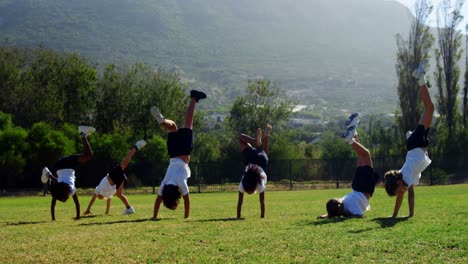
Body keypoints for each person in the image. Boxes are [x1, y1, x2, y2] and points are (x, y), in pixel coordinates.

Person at [384, 59, 433, 218]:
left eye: (399, 190)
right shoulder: (403, 181)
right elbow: (400, 199)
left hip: (416, 144)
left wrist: (410, 215)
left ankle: (420, 77)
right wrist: (394, 216)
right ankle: (409, 134)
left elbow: (409, 195)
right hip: (416, 144)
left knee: (429, 108)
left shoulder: (406, 177)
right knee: (429, 108)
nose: (401, 193)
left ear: (398, 183)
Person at [151, 90, 206, 220]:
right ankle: (163, 120)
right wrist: (154, 216)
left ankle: (193, 98)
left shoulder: (180, 183)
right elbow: (158, 200)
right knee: (172, 127)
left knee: (188, 123)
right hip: (173, 153)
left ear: (175, 197)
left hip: (184, 153)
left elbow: (187, 201)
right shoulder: (164, 184)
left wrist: (186, 217)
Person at [318, 113, 380, 218]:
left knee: (365, 154)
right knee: (361, 155)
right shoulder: (346, 203)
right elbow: (357, 215)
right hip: (357, 187)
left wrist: (330, 216)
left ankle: (350, 139)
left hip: (363, 188)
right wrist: (330, 215)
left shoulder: (347, 205)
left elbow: (358, 215)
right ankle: (353, 130)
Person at [41, 126, 95, 221]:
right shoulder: (59, 185)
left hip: (67, 164)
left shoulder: (71, 189)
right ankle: (83, 135)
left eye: (64, 198)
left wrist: (78, 217)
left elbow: (77, 204)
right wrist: (48, 174)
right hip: (60, 165)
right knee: (88, 155)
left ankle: (83, 134)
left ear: (66, 193)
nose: (65, 199)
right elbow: (53, 204)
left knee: (89, 155)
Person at [83, 140, 147, 216]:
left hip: (111, 176)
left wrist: (88, 209)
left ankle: (136, 147)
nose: (98, 197)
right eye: (100, 198)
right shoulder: (107, 196)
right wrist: (106, 213)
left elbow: (92, 199)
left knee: (124, 163)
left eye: (98, 197)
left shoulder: (98, 190)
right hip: (118, 181)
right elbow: (108, 203)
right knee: (119, 194)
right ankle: (129, 209)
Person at [237, 124, 272, 219]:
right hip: (251, 159)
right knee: (240, 138)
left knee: (265, 152)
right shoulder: (243, 183)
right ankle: (256, 140)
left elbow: (240, 202)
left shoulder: (259, 184)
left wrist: (238, 217)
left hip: (261, 161)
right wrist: (262, 217)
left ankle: (265, 136)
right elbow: (262, 202)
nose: (248, 193)